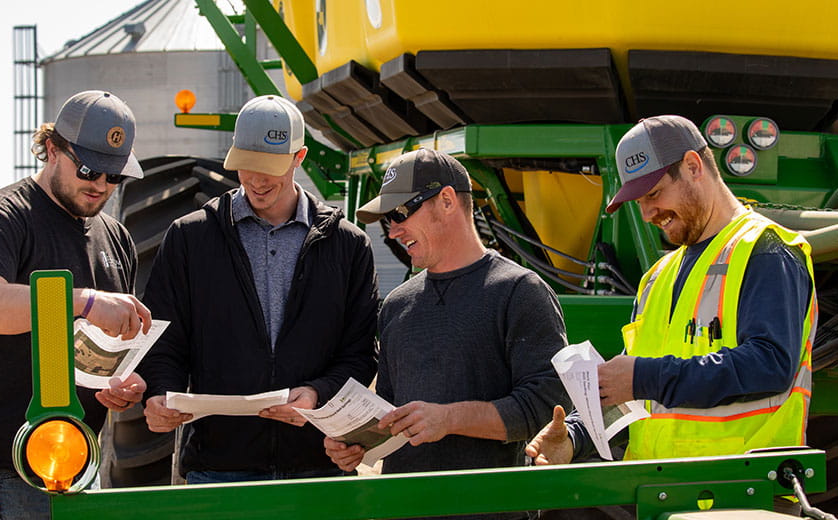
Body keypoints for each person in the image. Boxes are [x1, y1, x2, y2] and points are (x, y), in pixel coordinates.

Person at [525, 115, 816, 514]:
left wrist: (643, 376)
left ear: (694, 166)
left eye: (654, 193)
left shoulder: (765, 251)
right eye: (639, 200)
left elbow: (770, 364)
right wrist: (574, 435)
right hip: (656, 494)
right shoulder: (656, 277)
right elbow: (637, 397)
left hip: (740, 497)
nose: (647, 213)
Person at [139, 95, 379, 484]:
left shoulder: (348, 246)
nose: (256, 179)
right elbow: (162, 340)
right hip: (218, 470)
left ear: (299, 157)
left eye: (269, 167)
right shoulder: (190, 238)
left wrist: (317, 392)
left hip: (318, 468)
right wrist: (161, 392)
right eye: (245, 165)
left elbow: (360, 353)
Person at [324, 148, 569, 520]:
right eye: (387, 221)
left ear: (447, 200)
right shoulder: (396, 305)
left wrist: (449, 419)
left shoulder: (519, 291)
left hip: (492, 512)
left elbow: (547, 406)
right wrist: (356, 444)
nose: (393, 230)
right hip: (402, 510)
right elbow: (391, 413)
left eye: (400, 214)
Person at [0, 91, 152, 520]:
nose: (100, 185)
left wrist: (118, 386)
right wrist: (84, 301)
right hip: (5, 469)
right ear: (53, 149)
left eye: (115, 176)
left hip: (77, 462)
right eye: (89, 170)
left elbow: (97, 348)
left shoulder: (115, 238)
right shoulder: (2, 217)